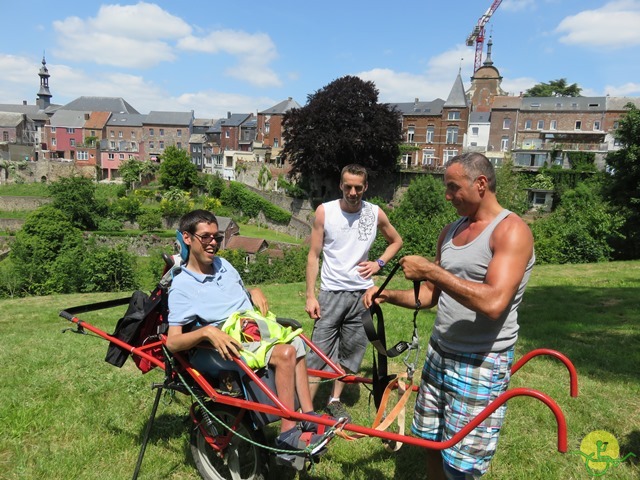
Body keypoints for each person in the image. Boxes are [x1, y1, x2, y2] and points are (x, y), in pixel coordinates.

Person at [363, 153, 535, 480]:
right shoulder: (450, 231)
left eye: (453, 187)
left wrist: (431, 270)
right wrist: (387, 295)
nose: (447, 196)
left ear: (480, 184)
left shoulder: (512, 232)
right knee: (431, 442)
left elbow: (495, 302)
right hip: (439, 353)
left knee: (462, 463)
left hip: (481, 360)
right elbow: (430, 295)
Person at [166, 209, 323, 451]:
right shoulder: (182, 286)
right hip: (221, 344)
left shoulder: (224, 265)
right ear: (187, 238)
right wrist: (206, 332)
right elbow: (173, 343)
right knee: (286, 353)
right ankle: (287, 432)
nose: (213, 243)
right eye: (205, 237)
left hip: (250, 326)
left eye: (216, 237)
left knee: (296, 342)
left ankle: (308, 418)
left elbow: (235, 294)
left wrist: (253, 291)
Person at [305, 164, 403, 421]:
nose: (352, 192)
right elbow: (314, 255)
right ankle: (305, 411)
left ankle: (334, 400)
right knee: (318, 354)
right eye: (348, 186)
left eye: (358, 187)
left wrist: (379, 263)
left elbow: (397, 241)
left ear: (365, 187)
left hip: (362, 295)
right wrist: (310, 295)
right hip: (330, 294)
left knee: (351, 353)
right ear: (340, 185)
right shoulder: (325, 211)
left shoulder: (374, 213)